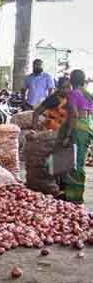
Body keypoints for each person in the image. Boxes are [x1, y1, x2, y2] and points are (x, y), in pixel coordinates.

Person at [59, 69, 93, 203]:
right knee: (79, 161)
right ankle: (73, 194)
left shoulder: (73, 94)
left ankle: (74, 197)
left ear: (72, 80)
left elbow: (74, 114)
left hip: (77, 129)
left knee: (74, 164)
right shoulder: (88, 94)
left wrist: (67, 135)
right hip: (88, 129)